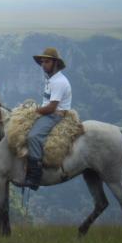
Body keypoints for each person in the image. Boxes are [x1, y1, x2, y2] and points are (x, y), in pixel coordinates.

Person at [25, 47, 72, 190]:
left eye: (46, 62)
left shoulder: (58, 82)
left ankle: (35, 176)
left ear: (55, 63)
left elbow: (51, 108)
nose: (43, 65)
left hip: (54, 115)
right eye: (42, 62)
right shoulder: (50, 79)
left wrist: (33, 111)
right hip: (46, 111)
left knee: (33, 136)